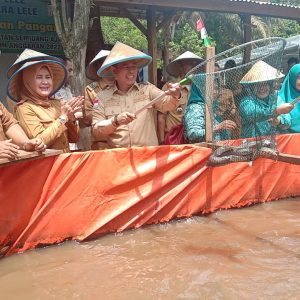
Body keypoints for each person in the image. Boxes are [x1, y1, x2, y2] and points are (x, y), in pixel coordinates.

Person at [92, 42, 181, 148]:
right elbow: (96, 131)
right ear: (115, 71)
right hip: (119, 160)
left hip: (147, 158)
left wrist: (175, 95)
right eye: (126, 67)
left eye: (134, 67)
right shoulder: (102, 97)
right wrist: (115, 121)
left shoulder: (148, 89)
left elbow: (167, 104)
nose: (131, 71)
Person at [7, 50, 83, 153]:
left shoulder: (57, 103)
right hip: (46, 165)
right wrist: (63, 118)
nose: (45, 82)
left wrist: (71, 119)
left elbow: (74, 139)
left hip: (66, 162)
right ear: (28, 81)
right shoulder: (24, 107)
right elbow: (39, 142)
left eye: (48, 77)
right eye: (39, 77)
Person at [157, 51, 203, 144]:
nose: (193, 67)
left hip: (194, 140)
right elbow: (161, 116)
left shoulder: (200, 87)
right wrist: (161, 141)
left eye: (195, 64)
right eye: (189, 64)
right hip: (174, 140)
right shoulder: (170, 87)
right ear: (181, 66)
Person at [239, 60, 293, 138]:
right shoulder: (247, 101)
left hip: (273, 142)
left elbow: (288, 120)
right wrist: (276, 111)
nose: (261, 88)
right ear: (252, 87)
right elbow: (253, 114)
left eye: (264, 84)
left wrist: (279, 121)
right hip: (252, 144)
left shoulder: (276, 98)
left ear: (270, 84)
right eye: (257, 85)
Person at [184, 78, 237, 143]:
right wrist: (218, 127)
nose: (215, 92)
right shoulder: (195, 108)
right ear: (200, 89)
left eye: (216, 88)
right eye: (211, 88)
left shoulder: (211, 106)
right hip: (204, 151)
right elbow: (193, 134)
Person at [83, 50, 115, 149]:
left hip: (123, 140)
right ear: (100, 66)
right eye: (108, 63)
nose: (112, 67)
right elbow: (87, 118)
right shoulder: (91, 90)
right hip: (102, 143)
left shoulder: (123, 86)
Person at [278, 63, 300, 133]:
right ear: (292, 78)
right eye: (299, 77)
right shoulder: (280, 99)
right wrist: (279, 120)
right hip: (290, 140)